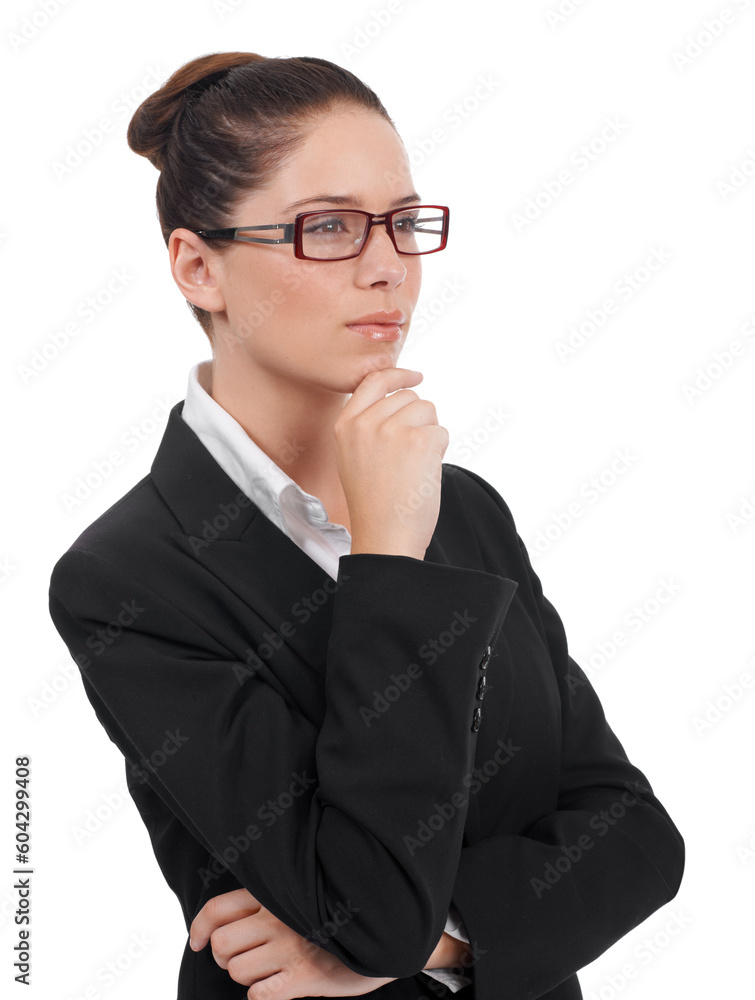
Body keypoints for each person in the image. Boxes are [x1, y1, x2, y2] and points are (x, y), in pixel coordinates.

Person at [47, 51, 685, 1000]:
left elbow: (635, 837)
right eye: (329, 228)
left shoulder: (461, 504)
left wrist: (447, 941)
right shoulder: (127, 578)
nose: (389, 267)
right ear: (198, 266)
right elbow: (372, 912)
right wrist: (389, 557)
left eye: (402, 223)